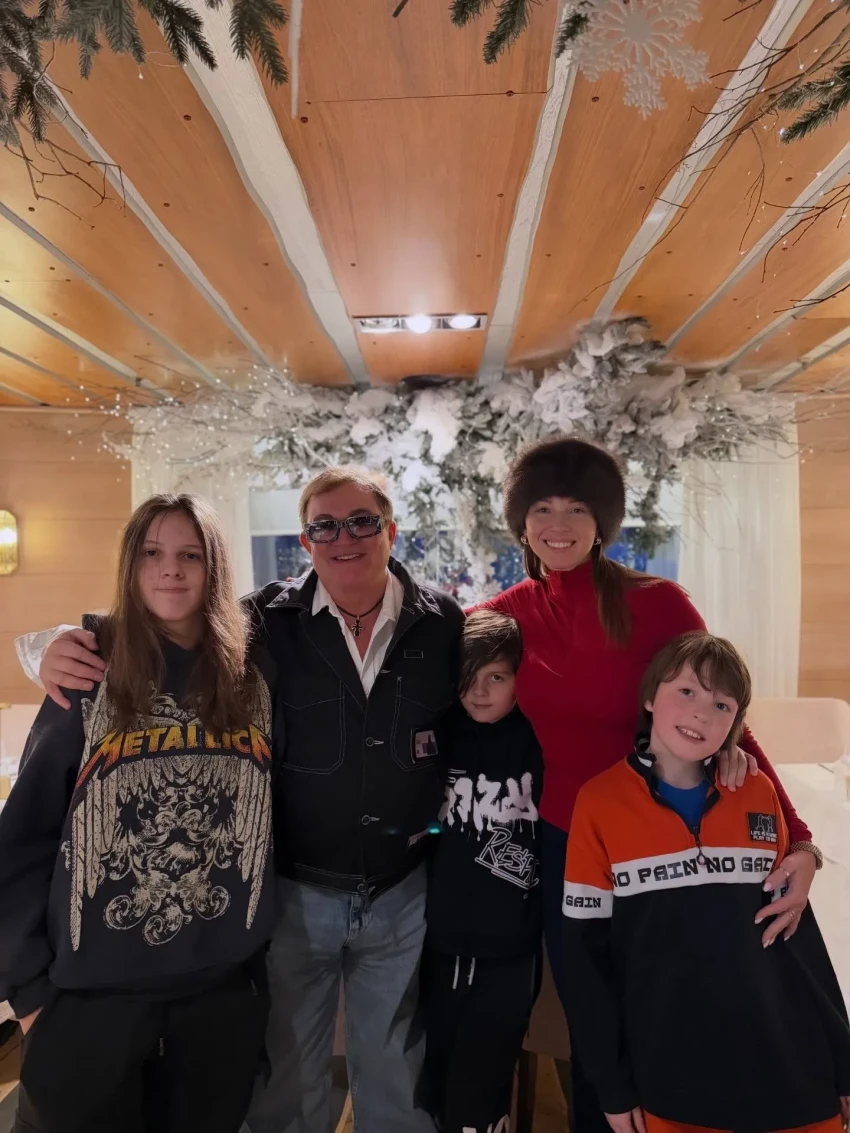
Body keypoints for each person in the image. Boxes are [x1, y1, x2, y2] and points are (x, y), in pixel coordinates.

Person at [15, 466, 464, 1133]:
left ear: (390, 530)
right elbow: (26, 835)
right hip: (208, 934)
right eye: (324, 526)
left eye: (361, 522)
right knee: (285, 1081)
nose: (343, 537)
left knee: (384, 1070)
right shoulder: (252, 629)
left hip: (328, 926)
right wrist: (43, 647)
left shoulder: (423, 626)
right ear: (305, 540)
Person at [474, 437, 822, 1132]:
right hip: (567, 841)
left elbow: (729, 717)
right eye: (542, 508)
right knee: (590, 1011)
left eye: (578, 507)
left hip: (662, 835)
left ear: (603, 519)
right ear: (520, 521)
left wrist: (802, 840)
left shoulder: (658, 604)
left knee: (671, 1002)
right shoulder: (502, 617)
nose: (559, 524)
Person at [0, 493, 276, 1133]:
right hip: (90, 999)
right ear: (130, 563)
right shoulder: (89, 668)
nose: (170, 569)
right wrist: (31, 994)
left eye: (190, 555)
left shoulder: (255, 673)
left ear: (215, 568)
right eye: (152, 553)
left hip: (217, 996)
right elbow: (23, 839)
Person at [562, 631, 850, 1133]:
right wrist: (611, 1083)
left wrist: (842, 1060)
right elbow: (585, 961)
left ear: (735, 726)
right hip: (672, 1075)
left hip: (791, 1066)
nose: (701, 713)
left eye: (722, 705)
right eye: (687, 691)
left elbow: (796, 932)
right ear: (650, 698)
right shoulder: (599, 803)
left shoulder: (756, 789)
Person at [421, 610, 543, 1133]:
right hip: (439, 939)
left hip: (512, 945)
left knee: (484, 1086)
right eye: (469, 676)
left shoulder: (542, 740)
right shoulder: (440, 734)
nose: (479, 691)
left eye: (497, 676)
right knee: (435, 1080)